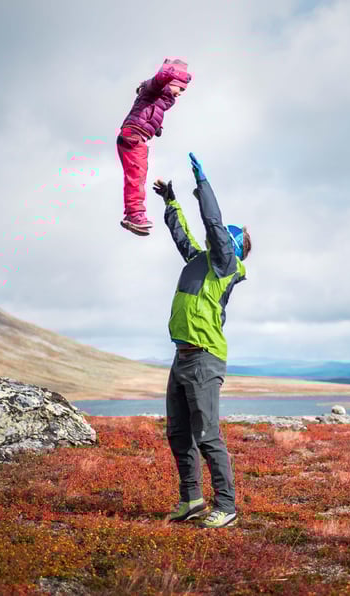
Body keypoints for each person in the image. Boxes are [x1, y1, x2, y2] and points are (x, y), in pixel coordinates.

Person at [154, 152, 251, 528]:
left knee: (208, 434)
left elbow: (212, 222)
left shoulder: (226, 264)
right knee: (179, 432)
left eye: (227, 238)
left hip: (205, 358)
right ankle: (192, 499)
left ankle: (226, 506)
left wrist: (203, 186)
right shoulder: (199, 260)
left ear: (234, 246)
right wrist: (171, 201)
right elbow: (182, 233)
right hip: (181, 358)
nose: (219, 238)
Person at [118, 58, 192, 236]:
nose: (181, 93)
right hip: (133, 137)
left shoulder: (159, 98)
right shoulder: (156, 87)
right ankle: (134, 214)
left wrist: (156, 127)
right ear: (170, 81)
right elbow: (156, 82)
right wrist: (166, 75)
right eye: (180, 88)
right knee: (136, 177)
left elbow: (148, 110)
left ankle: (134, 213)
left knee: (138, 176)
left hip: (136, 137)